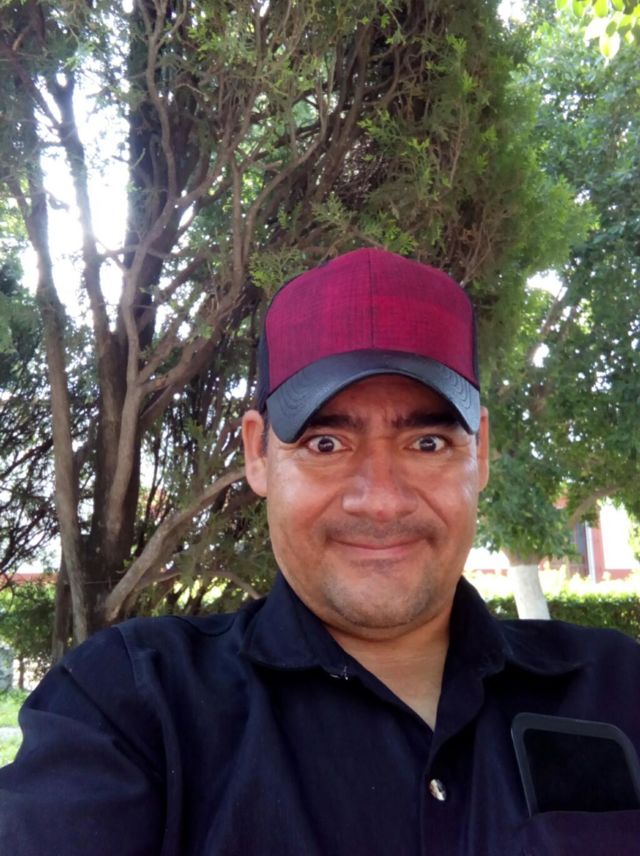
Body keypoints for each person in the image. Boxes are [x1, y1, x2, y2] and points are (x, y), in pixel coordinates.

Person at [1, 248, 639, 855]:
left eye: (427, 444)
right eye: (326, 444)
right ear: (258, 454)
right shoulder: (132, 711)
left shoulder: (618, 689)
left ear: (481, 453)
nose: (381, 501)